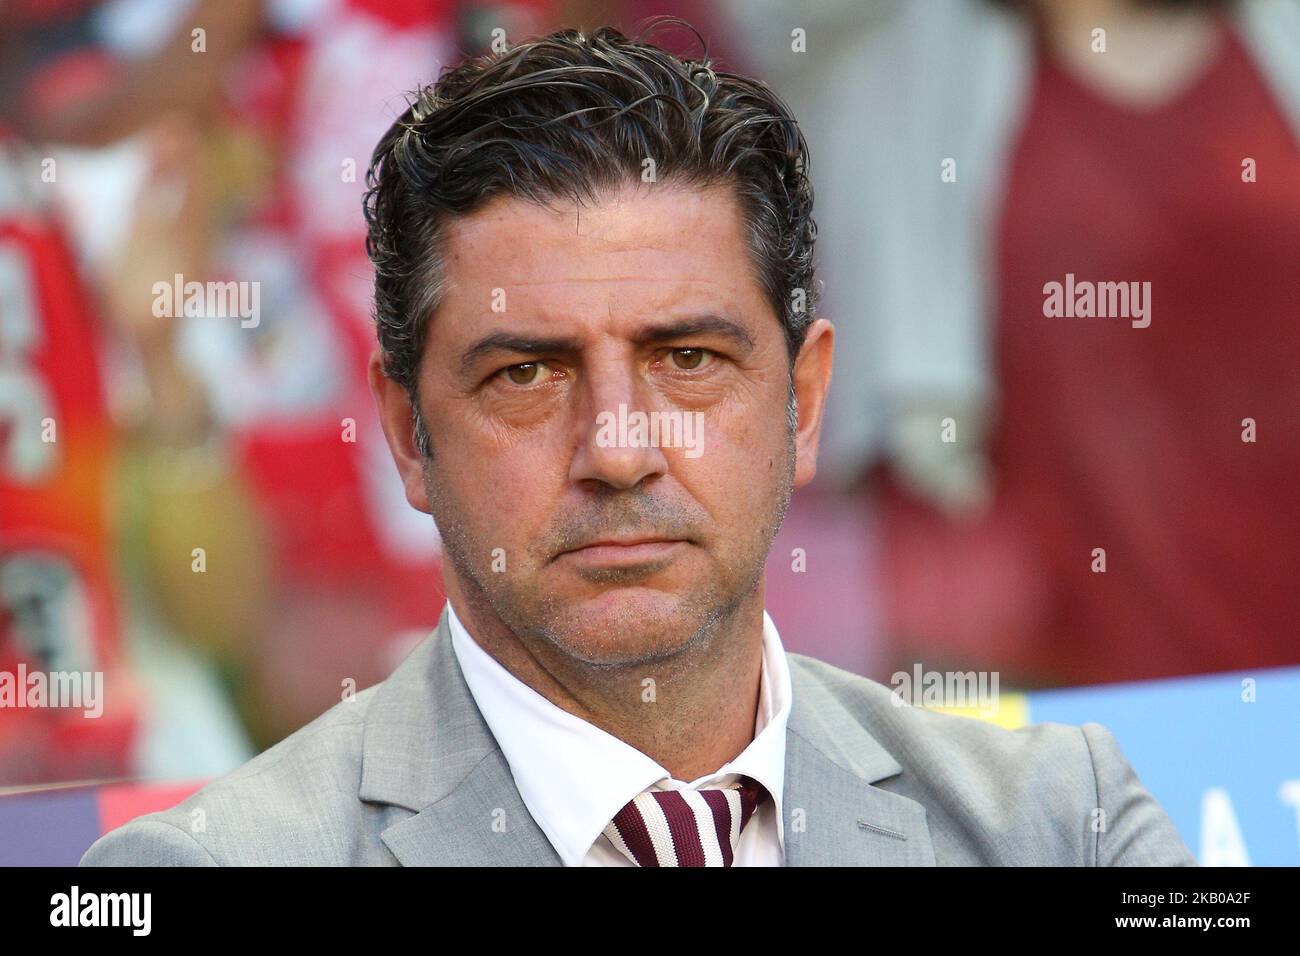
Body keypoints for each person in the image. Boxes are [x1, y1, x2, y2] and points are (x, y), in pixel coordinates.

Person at [80, 24, 1194, 866]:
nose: (617, 448)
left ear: (804, 401)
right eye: (525, 373)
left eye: (689, 359)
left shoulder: (1064, 822)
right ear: (408, 432)